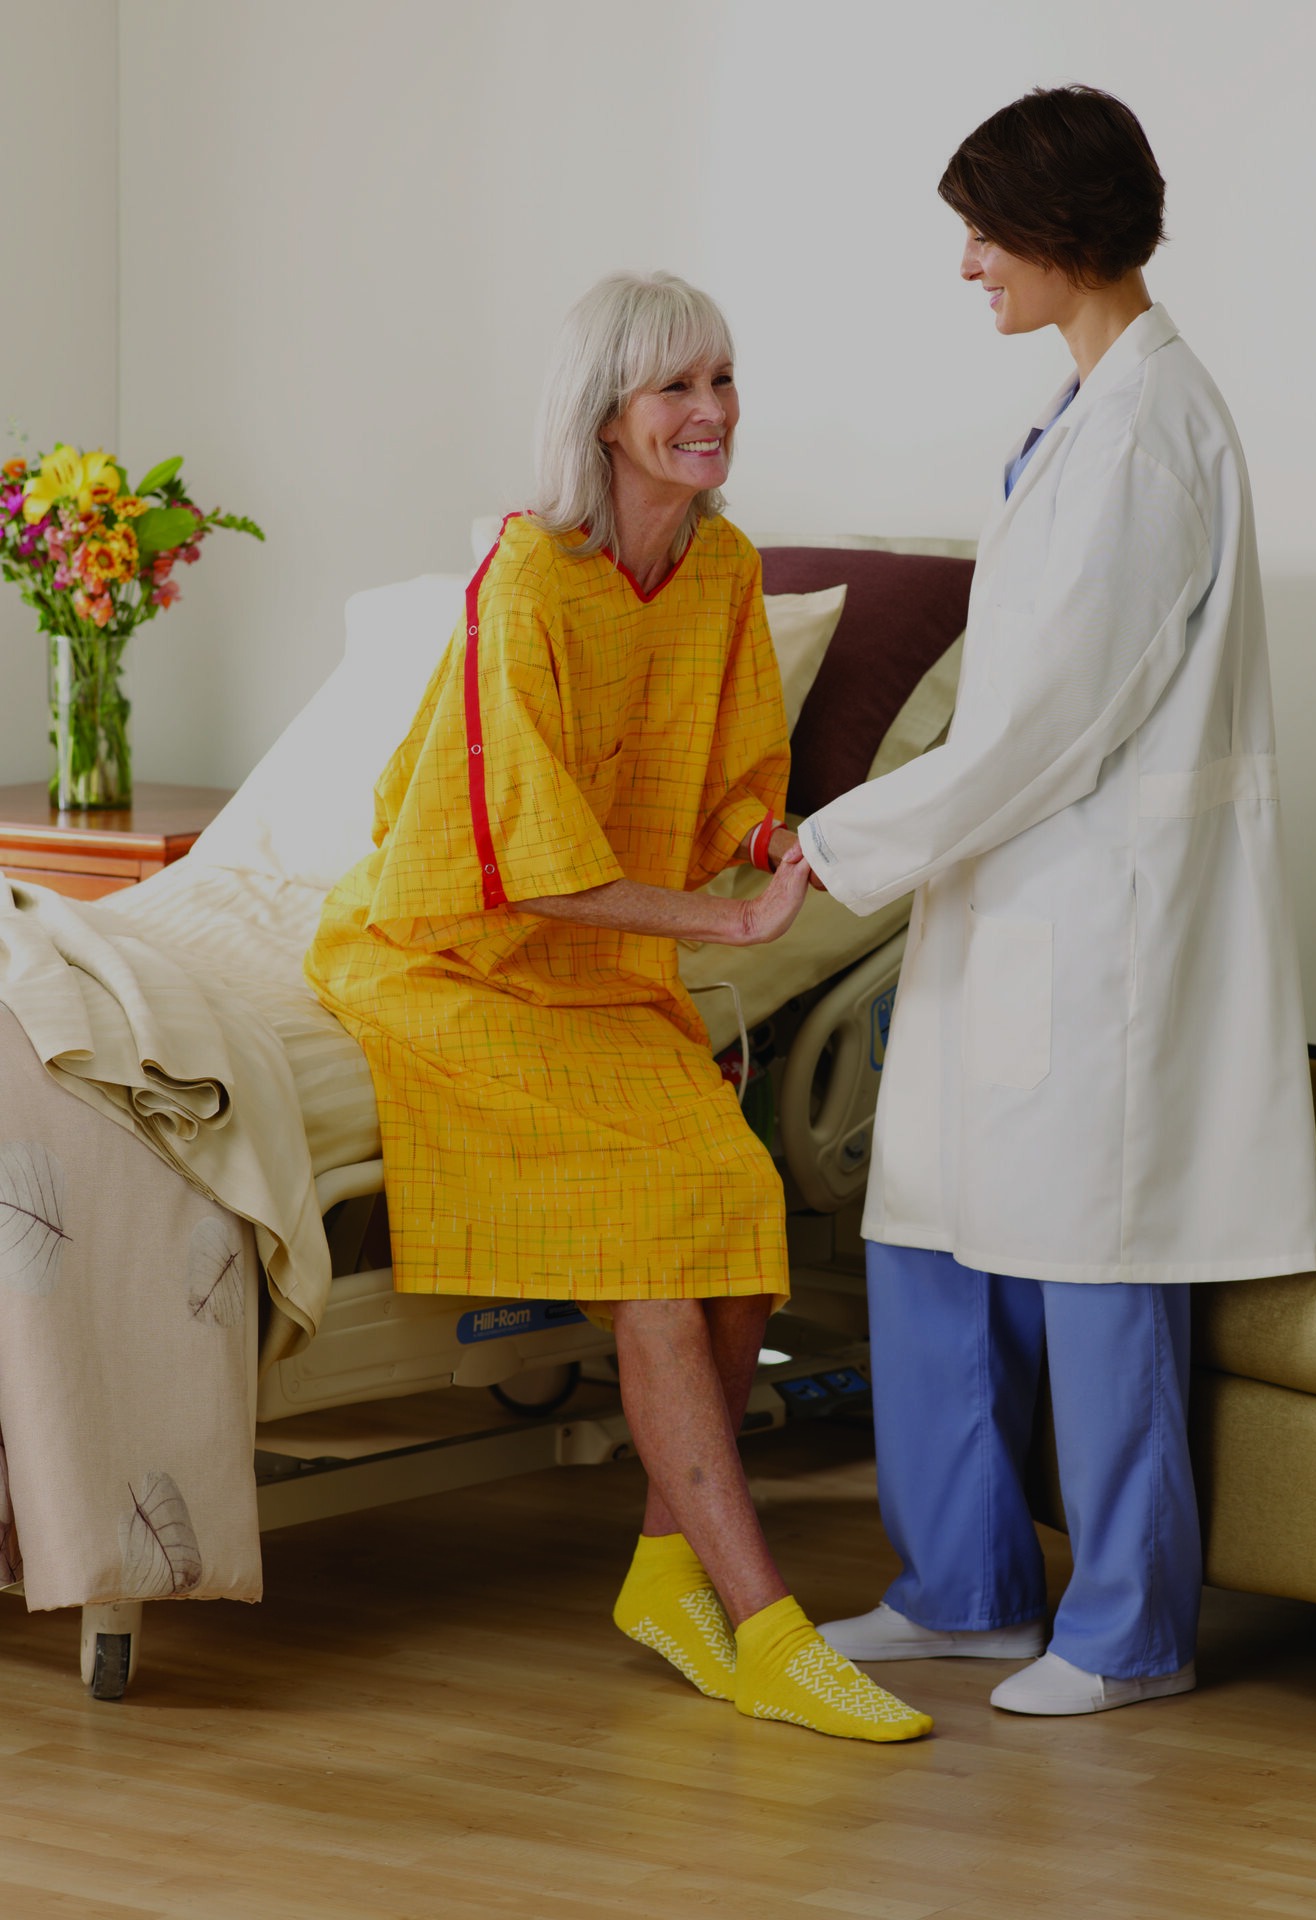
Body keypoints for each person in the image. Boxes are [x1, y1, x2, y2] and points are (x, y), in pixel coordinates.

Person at [304, 272, 930, 1743]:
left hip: (604, 974)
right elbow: (527, 871)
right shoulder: (524, 579)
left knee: (739, 1198)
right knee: (662, 1230)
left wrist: (775, 846)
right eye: (677, 390)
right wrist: (721, 917)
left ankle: (664, 1566)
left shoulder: (724, 572)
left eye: (722, 381)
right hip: (451, 957)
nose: (711, 414)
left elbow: (732, 786)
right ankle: (768, 1628)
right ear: (605, 415)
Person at [801, 88, 1316, 1715]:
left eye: (984, 231)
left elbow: (1042, 727)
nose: (967, 263)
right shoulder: (1083, 408)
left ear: (1067, 229)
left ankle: (1124, 1629)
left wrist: (831, 846)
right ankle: (961, 1588)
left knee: (1100, 1261)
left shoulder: (1156, 429)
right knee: (929, 1231)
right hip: (1011, 897)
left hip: (1104, 915)